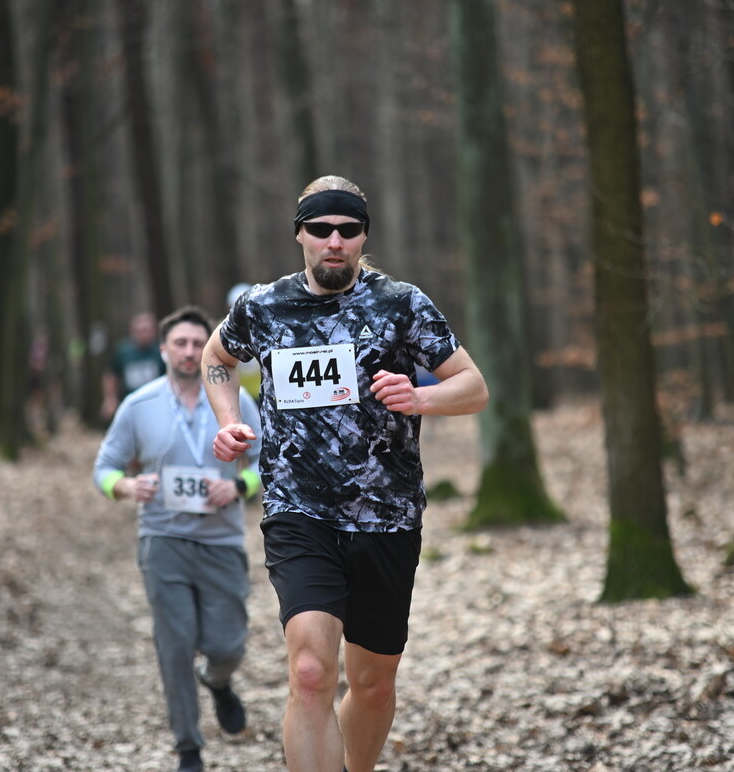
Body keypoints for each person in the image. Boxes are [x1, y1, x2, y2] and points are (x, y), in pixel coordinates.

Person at [201, 176, 489, 772]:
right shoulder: (262, 306)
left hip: (387, 515)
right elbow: (216, 356)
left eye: (348, 230)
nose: (334, 241)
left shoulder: (401, 303)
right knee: (310, 672)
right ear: (300, 235)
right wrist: (229, 421)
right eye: (321, 229)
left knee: (373, 683)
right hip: (298, 510)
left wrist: (420, 397)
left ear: (363, 237)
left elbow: (473, 386)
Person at [94, 306, 262, 772]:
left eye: (197, 344)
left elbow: (270, 462)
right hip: (162, 540)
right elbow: (103, 469)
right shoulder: (138, 405)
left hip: (221, 541)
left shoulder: (234, 400)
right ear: (163, 349)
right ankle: (188, 748)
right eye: (180, 344)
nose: (189, 352)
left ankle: (219, 681)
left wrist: (239, 486)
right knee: (175, 646)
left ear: (209, 349)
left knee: (227, 645)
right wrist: (126, 486)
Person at [102, 310, 165, 419]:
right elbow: (111, 375)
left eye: (146, 330)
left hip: (157, 404)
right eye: (139, 330)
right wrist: (110, 398)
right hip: (130, 404)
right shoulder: (123, 351)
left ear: (154, 331)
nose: (143, 334)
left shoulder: (161, 351)